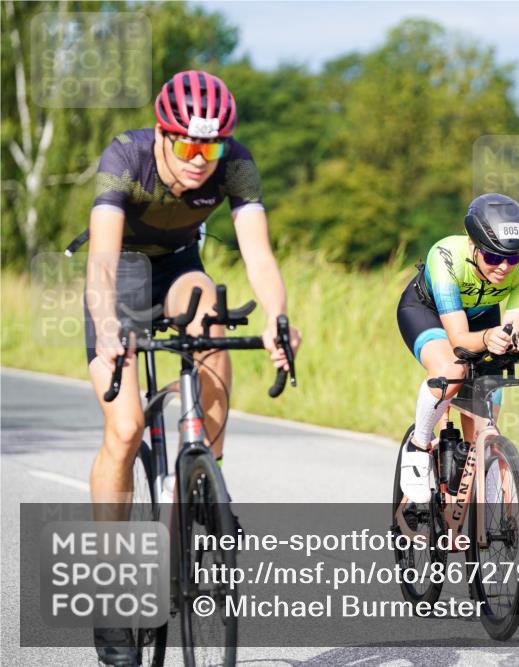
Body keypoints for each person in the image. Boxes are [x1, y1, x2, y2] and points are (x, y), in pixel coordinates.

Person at [79, 70, 301, 665]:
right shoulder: (126, 157)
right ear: (162, 134)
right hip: (121, 275)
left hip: (179, 266)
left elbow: (258, 254)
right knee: (125, 428)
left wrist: (278, 319)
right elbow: (101, 259)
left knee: (211, 315)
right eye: (187, 145)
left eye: (212, 148)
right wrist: (107, 327)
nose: (200, 161)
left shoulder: (236, 163)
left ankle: (204, 486)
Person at [396, 193, 519, 502]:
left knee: (486, 407)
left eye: (513, 258)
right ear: (473, 245)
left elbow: (515, 323)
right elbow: (460, 339)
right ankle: (418, 446)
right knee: (451, 370)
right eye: (492, 258)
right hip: (428, 312)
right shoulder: (446, 256)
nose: (504, 267)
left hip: (482, 317)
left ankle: (480, 495)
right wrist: (488, 339)